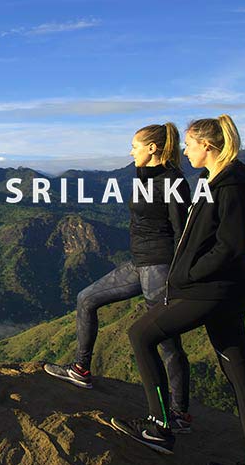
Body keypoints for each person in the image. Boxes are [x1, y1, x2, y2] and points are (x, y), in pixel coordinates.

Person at [111, 114, 245, 465]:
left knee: (141, 334)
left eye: (191, 145)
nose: (185, 151)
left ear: (209, 147)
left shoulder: (229, 185)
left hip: (217, 289)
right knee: (238, 372)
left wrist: (191, 275)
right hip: (221, 289)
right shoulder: (213, 181)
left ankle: (159, 426)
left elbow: (234, 243)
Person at [44, 123, 193, 432]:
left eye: (135, 146)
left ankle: (179, 415)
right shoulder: (147, 175)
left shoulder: (172, 181)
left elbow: (182, 231)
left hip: (160, 268)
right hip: (139, 264)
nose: (130, 151)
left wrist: (180, 275)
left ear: (152, 148)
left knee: (166, 344)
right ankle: (80, 369)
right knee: (86, 298)